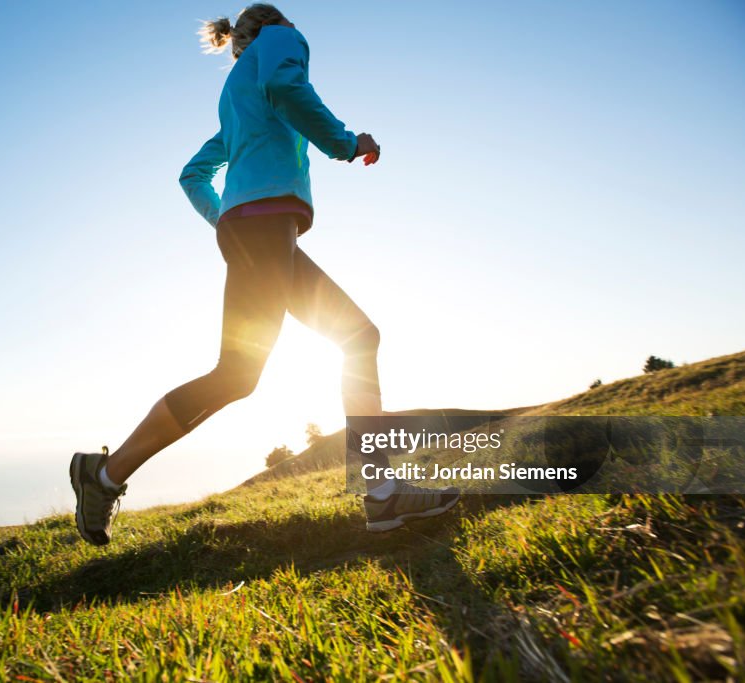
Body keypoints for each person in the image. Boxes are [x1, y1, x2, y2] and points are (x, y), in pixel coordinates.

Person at [70, 4, 458, 546]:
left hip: (258, 229)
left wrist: (228, 217)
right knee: (255, 367)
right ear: (273, 26)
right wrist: (346, 144)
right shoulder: (279, 40)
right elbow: (284, 82)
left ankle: (382, 492)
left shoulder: (235, 97)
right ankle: (105, 477)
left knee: (331, 346)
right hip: (264, 226)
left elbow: (192, 175)